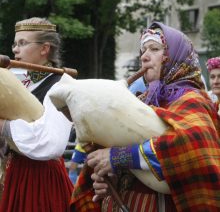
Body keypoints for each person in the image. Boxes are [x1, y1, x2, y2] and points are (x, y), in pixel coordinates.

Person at [86, 22, 220, 211]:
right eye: (143, 50)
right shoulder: (140, 100)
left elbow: (190, 146)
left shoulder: (192, 100)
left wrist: (118, 157)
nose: (144, 57)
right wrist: (112, 178)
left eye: (154, 49)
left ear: (175, 57)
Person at [0, 17, 74, 212]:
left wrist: (3, 126)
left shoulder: (61, 84)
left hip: (42, 181)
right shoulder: (18, 80)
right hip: (16, 173)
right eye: (15, 43)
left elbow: (51, 143)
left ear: (44, 48)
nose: (15, 49)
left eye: (23, 43)